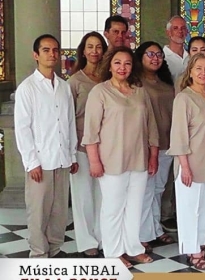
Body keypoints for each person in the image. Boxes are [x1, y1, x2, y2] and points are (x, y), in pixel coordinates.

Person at [82, 46, 159, 268]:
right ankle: (113, 253)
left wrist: (153, 155)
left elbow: (151, 127)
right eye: (117, 63)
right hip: (111, 161)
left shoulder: (140, 90)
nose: (122, 67)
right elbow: (91, 132)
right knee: (113, 209)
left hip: (139, 159)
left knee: (135, 207)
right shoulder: (100, 92)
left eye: (126, 63)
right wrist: (94, 161)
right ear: (110, 65)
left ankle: (133, 248)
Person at [15, 34, 78, 258]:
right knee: (39, 212)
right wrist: (31, 162)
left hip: (62, 159)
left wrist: (72, 155)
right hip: (40, 161)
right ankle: (39, 255)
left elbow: (69, 123)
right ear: (36, 55)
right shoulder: (28, 88)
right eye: (46, 50)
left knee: (59, 212)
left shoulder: (63, 87)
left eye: (55, 50)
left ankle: (55, 250)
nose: (52, 54)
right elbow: (23, 129)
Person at [168, 53, 205, 271]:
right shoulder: (184, 98)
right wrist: (184, 166)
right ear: (190, 71)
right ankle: (193, 251)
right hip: (190, 162)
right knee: (189, 209)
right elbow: (179, 135)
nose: (203, 73)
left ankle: (200, 244)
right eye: (198, 68)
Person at [67, 32, 108, 258]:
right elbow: (68, 117)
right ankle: (86, 241)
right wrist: (71, 152)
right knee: (83, 197)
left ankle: (103, 237)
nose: (94, 51)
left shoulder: (108, 79)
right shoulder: (74, 82)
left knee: (104, 196)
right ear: (83, 51)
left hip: (107, 147)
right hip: (81, 147)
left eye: (98, 46)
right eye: (90, 47)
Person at [134, 41, 177, 252]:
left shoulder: (167, 84)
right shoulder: (136, 84)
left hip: (167, 144)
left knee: (158, 189)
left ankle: (155, 228)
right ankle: (143, 234)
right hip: (146, 145)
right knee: (146, 191)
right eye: (150, 54)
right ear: (140, 57)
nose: (155, 58)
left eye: (159, 54)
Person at [163, 16, 189, 82]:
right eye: (175, 28)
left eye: (183, 28)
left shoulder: (191, 56)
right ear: (168, 32)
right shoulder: (162, 57)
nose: (180, 31)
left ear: (187, 32)